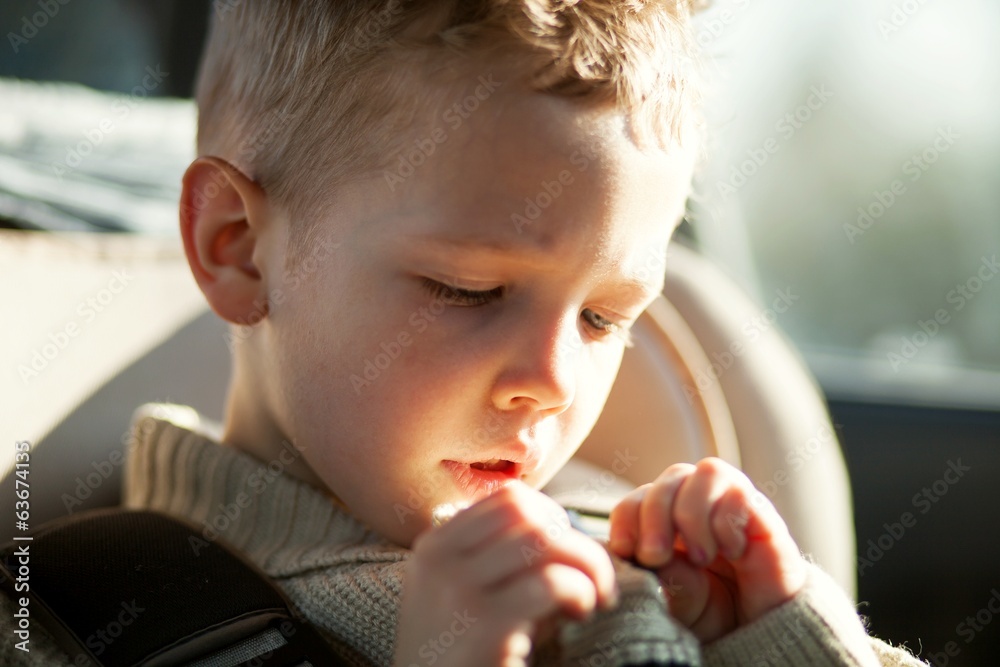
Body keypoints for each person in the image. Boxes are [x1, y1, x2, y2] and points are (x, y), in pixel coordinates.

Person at [1, 1, 927, 665]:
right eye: (468, 289)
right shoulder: (84, 617)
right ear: (237, 247)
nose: (552, 378)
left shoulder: (629, 538)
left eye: (606, 316)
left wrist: (788, 641)